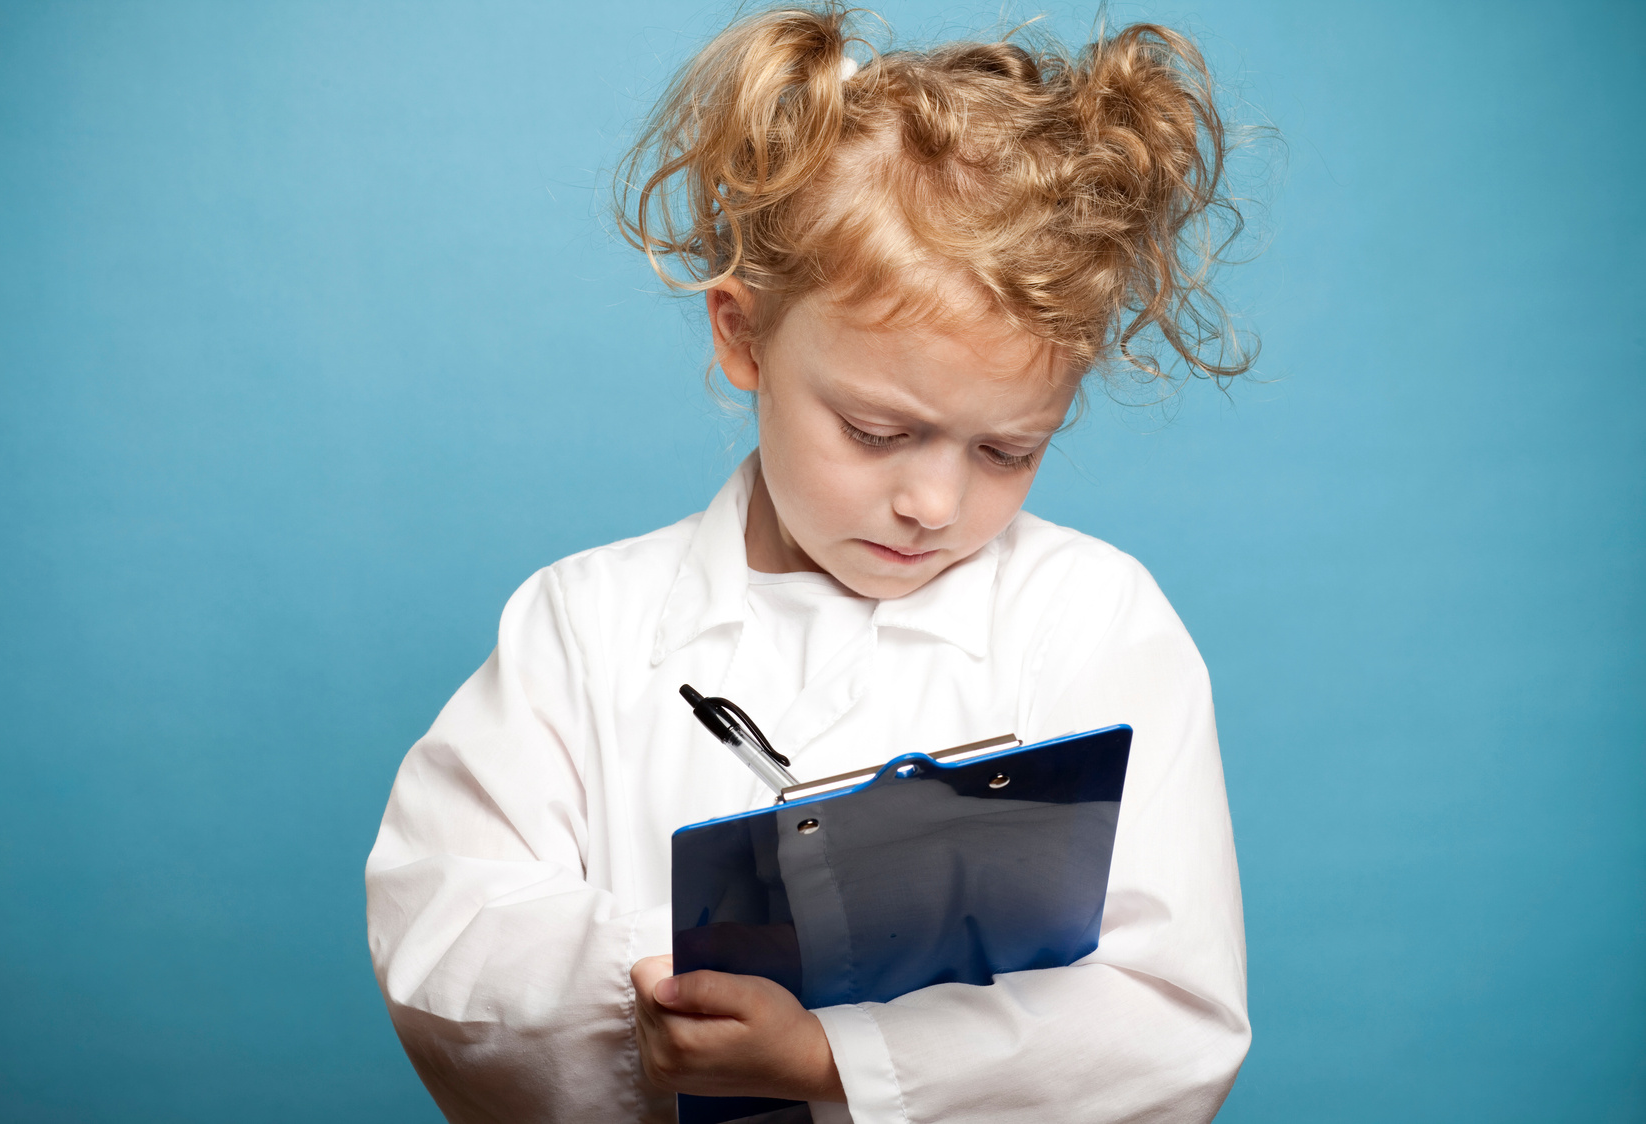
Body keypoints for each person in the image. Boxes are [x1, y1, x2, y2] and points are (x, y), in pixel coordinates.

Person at [365, 4, 1256, 1121]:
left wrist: (839, 1058)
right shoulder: (582, 625)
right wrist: (673, 975)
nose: (932, 502)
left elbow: (1168, 1016)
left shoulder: (1092, 617)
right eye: (877, 432)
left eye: (1005, 450)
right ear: (741, 333)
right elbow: (447, 925)